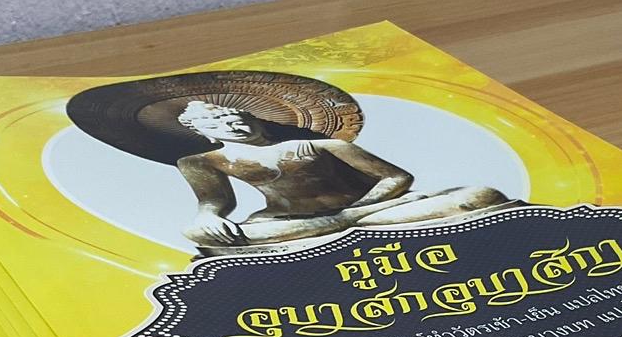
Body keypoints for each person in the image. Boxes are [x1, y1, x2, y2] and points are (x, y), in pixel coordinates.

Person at [174, 100, 509, 249]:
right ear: (204, 134)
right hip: (285, 220)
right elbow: (214, 200)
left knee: (480, 196)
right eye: (217, 124)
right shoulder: (200, 161)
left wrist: (355, 210)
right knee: (195, 232)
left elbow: (396, 178)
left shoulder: (323, 145)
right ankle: (344, 225)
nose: (233, 125)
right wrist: (207, 216)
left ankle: (344, 225)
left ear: (256, 119)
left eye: (236, 117)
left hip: (372, 208)